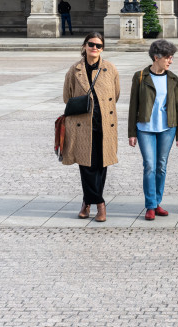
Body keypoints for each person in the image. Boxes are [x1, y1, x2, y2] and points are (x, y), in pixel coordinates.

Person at [62, 32, 120, 222]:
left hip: (104, 124)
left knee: (101, 165)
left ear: (102, 48)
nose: (95, 48)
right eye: (91, 44)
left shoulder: (110, 69)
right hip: (81, 125)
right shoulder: (74, 70)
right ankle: (99, 204)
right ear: (84, 45)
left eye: (99, 45)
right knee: (86, 165)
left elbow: (116, 95)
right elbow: (67, 96)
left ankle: (87, 202)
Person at [128, 40, 178, 221]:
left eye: (171, 57)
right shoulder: (140, 76)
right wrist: (131, 132)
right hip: (145, 128)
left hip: (168, 127)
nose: (170, 61)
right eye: (168, 57)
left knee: (161, 166)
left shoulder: (173, 79)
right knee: (150, 166)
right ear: (156, 57)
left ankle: (157, 202)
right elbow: (133, 106)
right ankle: (150, 205)